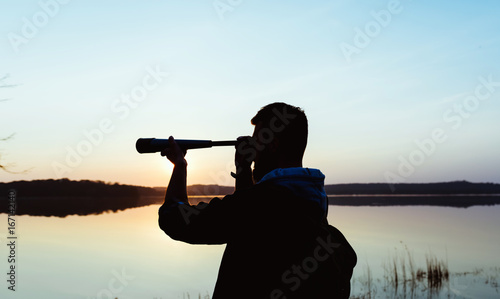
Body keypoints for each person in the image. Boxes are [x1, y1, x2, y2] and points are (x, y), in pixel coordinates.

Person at [158, 102, 357, 298]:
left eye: (257, 140)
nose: (253, 148)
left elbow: (175, 219)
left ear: (273, 145)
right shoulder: (312, 200)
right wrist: (244, 172)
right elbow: (252, 229)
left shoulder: (258, 205)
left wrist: (179, 166)